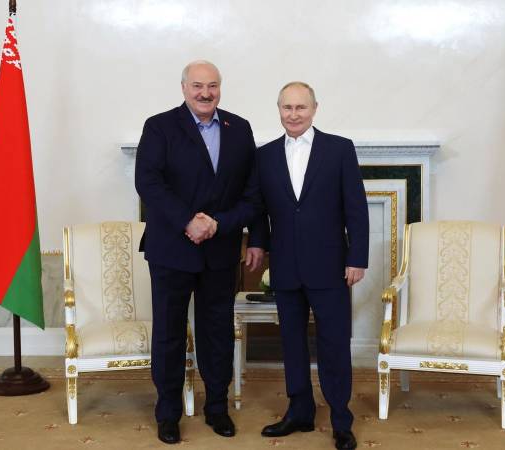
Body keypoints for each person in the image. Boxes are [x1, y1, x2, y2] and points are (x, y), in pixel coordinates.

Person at [135, 60, 267, 445]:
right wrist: (188, 221)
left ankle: (217, 408)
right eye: (197, 86)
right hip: (171, 250)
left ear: (220, 88)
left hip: (221, 250)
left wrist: (222, 226)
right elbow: (148, 183)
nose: (205, 93)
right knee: (169, 334)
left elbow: (254, 194)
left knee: (217, 332)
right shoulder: (159, 127)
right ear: (183, 88)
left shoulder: (240, 128)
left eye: (212, 86)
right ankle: (168, 413)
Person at [257, 82, 369, 450]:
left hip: (331, 265)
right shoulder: (264, 155)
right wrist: (258, 244)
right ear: (279, 110)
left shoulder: (339, 149)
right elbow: (258, 209)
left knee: (333, 344)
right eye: (287, 108)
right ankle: (299, 411)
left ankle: (341, 420)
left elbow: (356, 207)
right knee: (292, 343)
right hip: (285, 265)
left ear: (314, 109)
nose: (293, 114)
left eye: (300, 107)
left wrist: (357, 258)